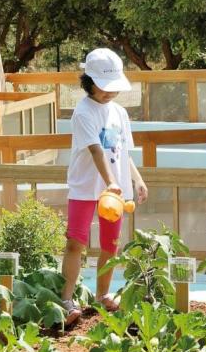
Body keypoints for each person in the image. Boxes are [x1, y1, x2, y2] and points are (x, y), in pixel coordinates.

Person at [60, 48, 148, 326]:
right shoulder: (83, 112)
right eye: (103, 86)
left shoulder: (120, 112)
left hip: (115, 192)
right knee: (76, 243)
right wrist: (110, 182)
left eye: (114, 87)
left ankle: (102, 295)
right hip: (86, 187)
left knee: (111, 245)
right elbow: (97, 151)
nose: (109, 92)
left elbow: (121, 151)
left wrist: (136, 178)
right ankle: (65, 299)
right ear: (88, 81)